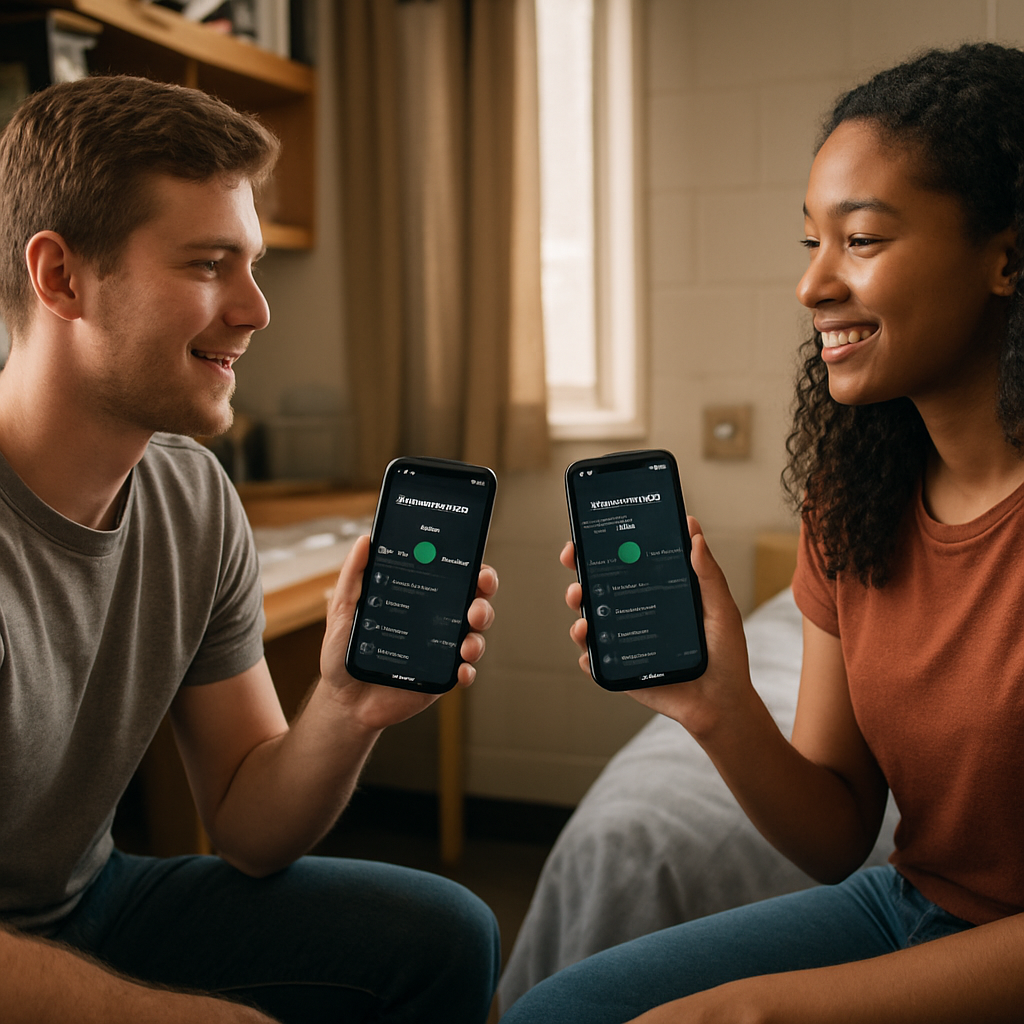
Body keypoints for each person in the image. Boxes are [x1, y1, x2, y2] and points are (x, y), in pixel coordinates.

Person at [501, 42, 1024, 1024]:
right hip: (914, 907)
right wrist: (720, 703)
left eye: (860, 240)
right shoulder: (853, 498)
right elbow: (834, 834)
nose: (813, 285)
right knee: (553, 1013)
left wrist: (762, 1009)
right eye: (809, 243)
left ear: (1006, 256)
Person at [0, 75, 500, 1023]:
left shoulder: (192, 497)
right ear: (61, 276)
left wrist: (347, 709)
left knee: (445, 934)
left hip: (86, 900)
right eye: (208, 265)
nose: (257, 309)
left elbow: (247, 827)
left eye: (254, 263)